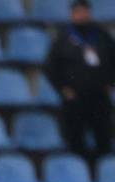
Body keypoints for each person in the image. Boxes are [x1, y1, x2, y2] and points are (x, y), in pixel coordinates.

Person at [46, 1, 115, 159]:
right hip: (74, 98)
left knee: (103, 137)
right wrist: (63, 88)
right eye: (77, 12)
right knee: (75, 138)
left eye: (84, 11)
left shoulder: (101, 35)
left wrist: (111, 83)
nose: (81, 15)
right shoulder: (63, 38)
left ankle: (102, 172)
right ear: (72, 15)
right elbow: (51, 68)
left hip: (99, 97)